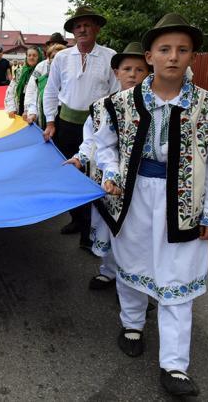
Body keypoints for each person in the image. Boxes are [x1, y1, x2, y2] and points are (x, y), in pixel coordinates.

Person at [95, 14, 208, 397]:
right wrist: (109, 171)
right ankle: (133, 324)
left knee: (178, 276)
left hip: (184, 203)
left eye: (182, 50)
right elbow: (103, 144)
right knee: (132, 261)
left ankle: (174, 365)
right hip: (134, 196)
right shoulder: (120, 103)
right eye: (165, 49)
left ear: (191, 57)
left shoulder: (206, 107)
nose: (173, 56)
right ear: (150, 56)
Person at [64, 41, 151, 290]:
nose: (133, 75)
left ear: (148, 72)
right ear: (116, 73)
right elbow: (91, 138)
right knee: (108, 227)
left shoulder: (154, 107)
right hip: (107, 180)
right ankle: (109, 271)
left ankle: (134, 284)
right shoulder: (102, 107)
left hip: (139, 182)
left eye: (139, 70)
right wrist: (80, 157)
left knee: (134, 234)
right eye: (127, 69)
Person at [42, 6, 118, 243]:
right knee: (68, 175)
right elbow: (51, 91)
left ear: (96, 28)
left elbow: (116, 94)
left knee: (92, 177)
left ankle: (90, 232)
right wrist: (51, 121)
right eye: (78, 26)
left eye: (87, 25)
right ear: (73, 31)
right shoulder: (62, 58)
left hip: (97, 127)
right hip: (66, 124)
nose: (83, 29)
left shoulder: (109, 56)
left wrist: (111, 127)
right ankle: (77, 218)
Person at [24, 37, 67, 128]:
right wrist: (30, 111)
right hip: (44, 114)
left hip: (66, 116)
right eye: (53, 57)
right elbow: (33, 90)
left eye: (59, 44)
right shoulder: (41, 66)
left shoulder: (72, 70)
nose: (56, 46)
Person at [5, 46, 42, 117]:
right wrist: (12, 108)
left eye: (34, 55)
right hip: (20, 109)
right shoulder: (19, 72)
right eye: (29, 55)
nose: (31, 58)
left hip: (36, 112)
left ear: (39, 57)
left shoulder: (42, 72)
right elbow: (10, 92)